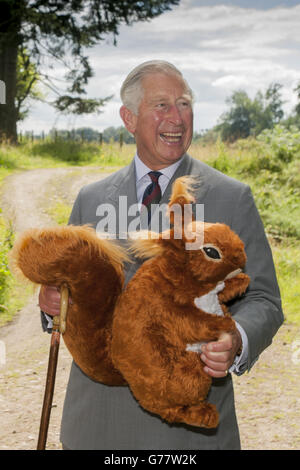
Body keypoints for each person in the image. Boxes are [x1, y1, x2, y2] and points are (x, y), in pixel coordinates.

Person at [39, 60, 284, 450]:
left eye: (184, 104)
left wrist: (236, 337)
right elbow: (66, 292)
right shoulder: (91, 200)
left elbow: (264, 298)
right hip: (98, 426)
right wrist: (53, 302)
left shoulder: (231, 197)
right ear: (129, 118)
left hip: (190, 432)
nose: (177, 117)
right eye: (161, 105)